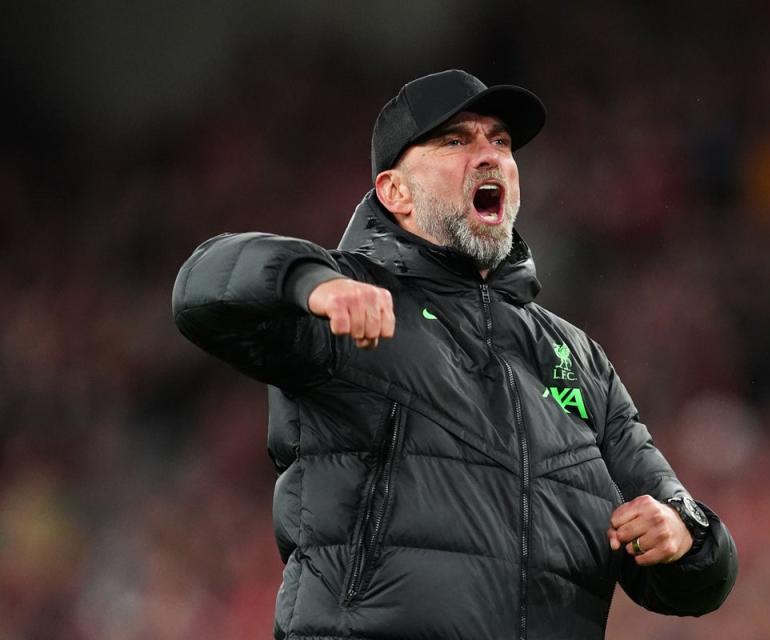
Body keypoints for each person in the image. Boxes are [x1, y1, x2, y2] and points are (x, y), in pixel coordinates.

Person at [172, 69, 737, 640]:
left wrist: (683, 535)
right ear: (396, 191)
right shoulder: (347, 300)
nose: (488, 155)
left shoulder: (578, 358)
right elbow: (203, 284)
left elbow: (696, 557)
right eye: (456, 140)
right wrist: (308, 283)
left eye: (500, 141)